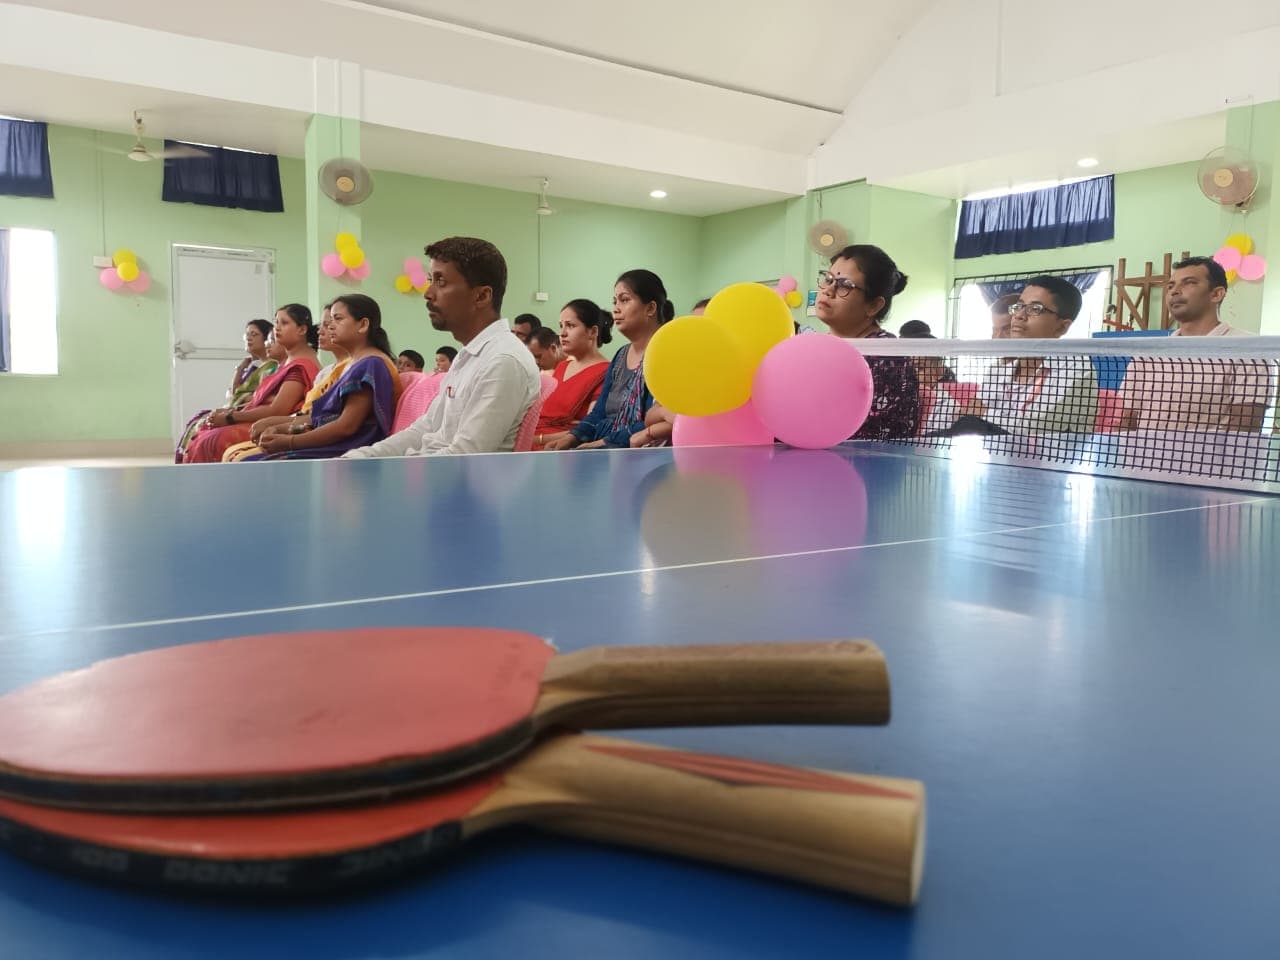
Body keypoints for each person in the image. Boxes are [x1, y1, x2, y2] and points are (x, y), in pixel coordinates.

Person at [342, 237, 539, 458]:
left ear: (482, 296)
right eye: (430, 280)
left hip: (457, 486)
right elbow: (425, 428)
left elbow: (465, 455)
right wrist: (362, 457)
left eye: (441, 282)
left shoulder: (503, 361)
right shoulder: (468, 355)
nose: (428, 293)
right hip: (432, 472)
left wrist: (400, 471)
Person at [1119, 257, 1269, 431]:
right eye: (1170, 286)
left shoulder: (1251, 351)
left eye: (1189, 283)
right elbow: (1125, 420)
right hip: (1143, 458)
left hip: (1211, 458)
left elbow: (1244, 429)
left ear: (1216, 294)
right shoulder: (1147, 356)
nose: (1174, 291)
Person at [244, 295, 401, 460]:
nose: (330, 326)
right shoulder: (355, 364)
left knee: (254, 462)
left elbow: (345, 427)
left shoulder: (371, 365)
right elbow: (323, 418)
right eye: (330, 320)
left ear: (363, 325)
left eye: (337, 319)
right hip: (332, 442)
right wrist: (280, 427)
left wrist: (290, 441)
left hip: (348, 451)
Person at [542, 269, 669, 450]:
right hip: (605, 447)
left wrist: (604, 443)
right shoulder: (620, 356)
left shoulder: (664, 355)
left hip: (637, 452)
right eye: (615, 301)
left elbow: (653, 420)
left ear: (650, 308)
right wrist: (572, 437)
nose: (616, 308)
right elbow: (600, 411)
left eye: (624, 300)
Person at [183, 305, 320, 463]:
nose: (277, 328)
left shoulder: (301, 364)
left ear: (302, 330)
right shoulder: (288, 362)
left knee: (211, 440)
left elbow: (279, 409)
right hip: (264, 418)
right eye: (276, 323)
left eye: (284, 323)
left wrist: (231, 417)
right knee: (202, 429)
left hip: (279, 423)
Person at [814, 244, 920, 439]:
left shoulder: (886, 355)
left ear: (873, 305)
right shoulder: (820, 346)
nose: (829, 290)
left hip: (868, 464)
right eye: (828, 279)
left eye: (845, 285)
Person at [967, 276, 1097, 433]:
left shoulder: (1076, 370)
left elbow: (1035, 429)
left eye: (1035, 309)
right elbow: (969, 415)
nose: (1019, 315)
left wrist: (984, 413)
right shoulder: (998, 369)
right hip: (995, 454)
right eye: (1019, 306)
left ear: (1062, 327)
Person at [174, 318, 276, 462]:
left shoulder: (271, 367)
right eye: (247, 334)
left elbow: (254, 397)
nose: (248, 338)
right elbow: (236, 394)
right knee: (197, 421)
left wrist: (236, 407)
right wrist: (240, 370)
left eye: (254, 334)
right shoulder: (252, 366)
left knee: (209, 435)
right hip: (241, 409)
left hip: (251, 412)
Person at [533, 299, 612, 450]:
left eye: (570, 326)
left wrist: (537, 439)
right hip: (534, 444)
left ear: (593, 332)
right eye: (561, 326)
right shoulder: (562, 366)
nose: (562, 333)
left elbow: (589, 429)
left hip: (562, 450)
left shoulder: (606, 371)